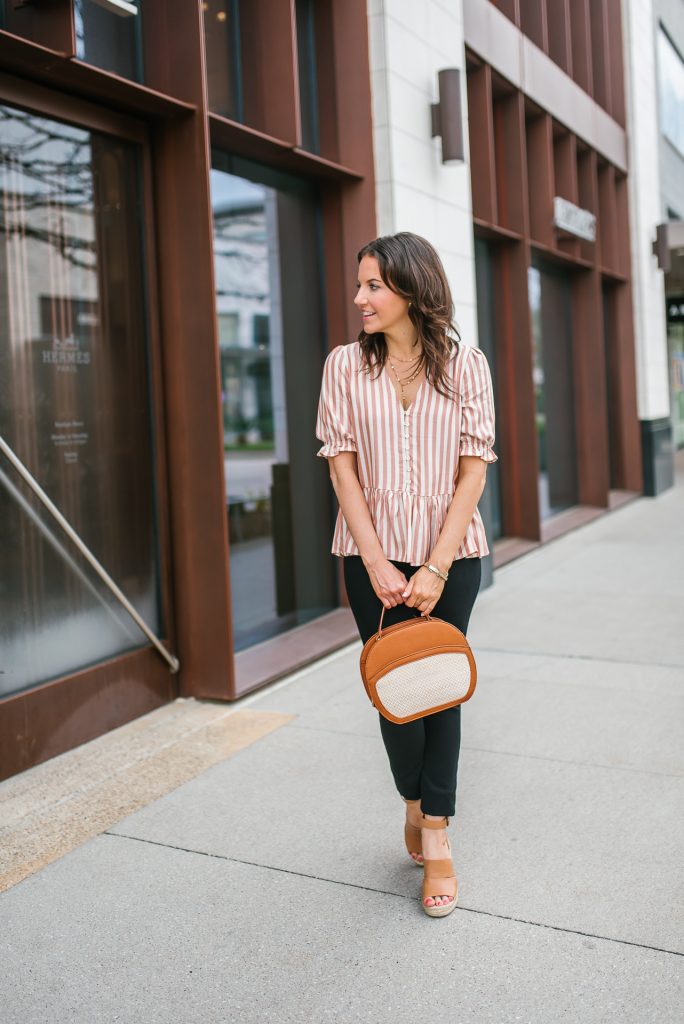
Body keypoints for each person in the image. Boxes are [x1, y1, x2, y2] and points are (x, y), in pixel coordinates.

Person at [314, 231, 497, 918]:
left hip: (453, 553)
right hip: (372, 557)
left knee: (441, 689)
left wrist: (437, 565)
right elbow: (342, 466)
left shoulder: (466, 365)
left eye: (373, 286)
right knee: (393, 688)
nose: (359, 297)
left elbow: (474, 468)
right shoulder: (344, 367)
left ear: (412, 289)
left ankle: (438, 835)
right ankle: (415, 803)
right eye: (359, 285)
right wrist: (378, 561)